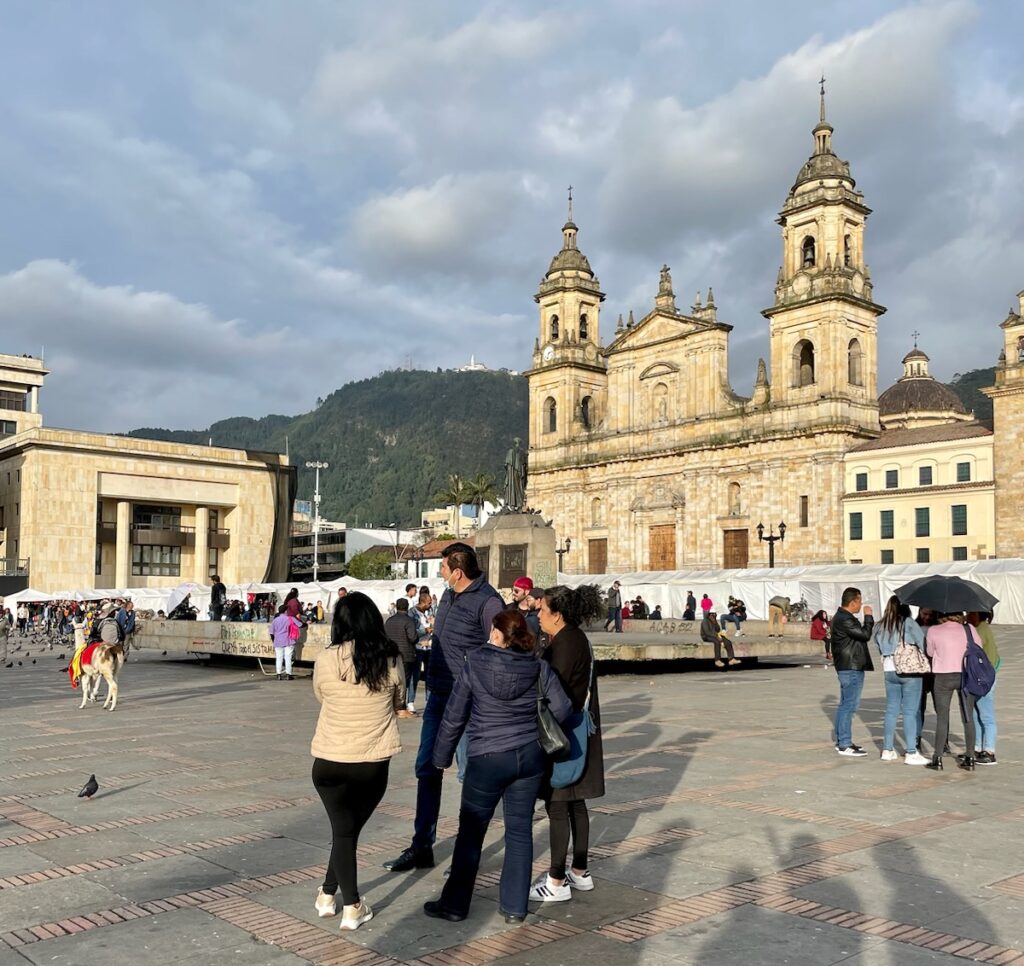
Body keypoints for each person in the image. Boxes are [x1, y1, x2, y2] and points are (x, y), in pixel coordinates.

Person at [424, 610, 571, 924]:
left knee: (472, 832)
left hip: (487, 757)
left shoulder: (475, 663)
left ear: (496, 634)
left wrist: (440, 757)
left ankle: (454, 905)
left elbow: (455, 715)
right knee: (519, 831)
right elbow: (562, 707)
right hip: (529, 758)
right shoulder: (537, 666)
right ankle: (515, 907)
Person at [384, 543, 503, 873]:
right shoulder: (449, 595)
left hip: (469, 701)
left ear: (459, 572)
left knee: (470, 774)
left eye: (443, 568)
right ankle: (422, 845)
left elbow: (502, 647)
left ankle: (467, 853)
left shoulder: (489, 601)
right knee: (426, 767)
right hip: (438, 695)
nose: (439, 573)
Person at [311, 591, 404, 931]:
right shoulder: (391, 659)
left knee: (343, 831)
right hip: (371, 762)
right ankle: (352, 905)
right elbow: (399, 698)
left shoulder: (326, 658)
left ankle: (327, 893)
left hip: (328, 763)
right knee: (346, 832)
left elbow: (320, 695)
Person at [530, 584, 606, 905]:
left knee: (558, 805)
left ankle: (557, 878)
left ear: (557, 614)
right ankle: (580, 870)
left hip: (562, 736)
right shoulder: (575, 638)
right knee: (576, 803)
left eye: (542, 610)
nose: (537, 614)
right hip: (580, 733)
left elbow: (554, 695)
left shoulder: (564, 644)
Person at [872, 597, 930, 765]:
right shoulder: (909, 623)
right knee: (910, 712)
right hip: (909, 670)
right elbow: (923, 643)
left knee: (891, 711)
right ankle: (911, 751)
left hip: (889, 670)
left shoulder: (880, 625)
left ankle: (887, 749)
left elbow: (878, 646)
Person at [924, 613, 980, 771]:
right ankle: (970, 757)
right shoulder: (969, 628)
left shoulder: (934, 630)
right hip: (966, 675)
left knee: (942, 717)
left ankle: (938, 758)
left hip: (943, 676)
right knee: (967, 716)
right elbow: (979, 648)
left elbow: (929, 652)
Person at [830, 587, 874, 757]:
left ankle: (843, 741)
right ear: (853, 601)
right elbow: (865, 635)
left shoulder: (841, 617)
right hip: (851, 667)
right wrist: (868, 617)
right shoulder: (845, 619)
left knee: (845, 705)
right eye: (859, 601)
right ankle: (845, 743)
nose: (861, 605)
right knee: (849, 706)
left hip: (847, 666)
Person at [967, 612, 999, 765]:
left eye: (970, 613)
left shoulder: (980, 630)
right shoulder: (981, 628)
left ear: (977, 615)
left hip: (983, 679)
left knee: (986, 716)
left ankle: (990, 750)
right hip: (980, 677)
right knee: (975, 715)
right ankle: (977, 747)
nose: (967, 616)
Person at [384, 599, 419, 718]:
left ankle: (391, 706)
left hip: (390, 655)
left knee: (391, 680)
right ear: (407, 607)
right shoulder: (408, 621)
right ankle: (401, 708)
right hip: (406, 655)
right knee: (403, 682)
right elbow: (413, 638)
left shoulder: (389, 621)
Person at [409, 592, 434, 713]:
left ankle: (429, 701)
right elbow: (412, 631)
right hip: (418, 647)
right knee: (416, 675)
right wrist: (425, 630)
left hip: (429, 647)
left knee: (429, 675)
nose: (431, 605)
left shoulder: (429, 612)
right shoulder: (412, 613)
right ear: (423, 602)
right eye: (429, 603)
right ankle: (410, 702)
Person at [269, 605, 299, 680]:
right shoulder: (290, 619)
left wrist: (274, 640)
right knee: (288, 658)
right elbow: (300, 624)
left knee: (279, 658)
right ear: (285, 611)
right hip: (289, 641)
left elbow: (271, 632)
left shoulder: (275, 620)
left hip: (278, 641)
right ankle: (288, 675)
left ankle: (278, 674)